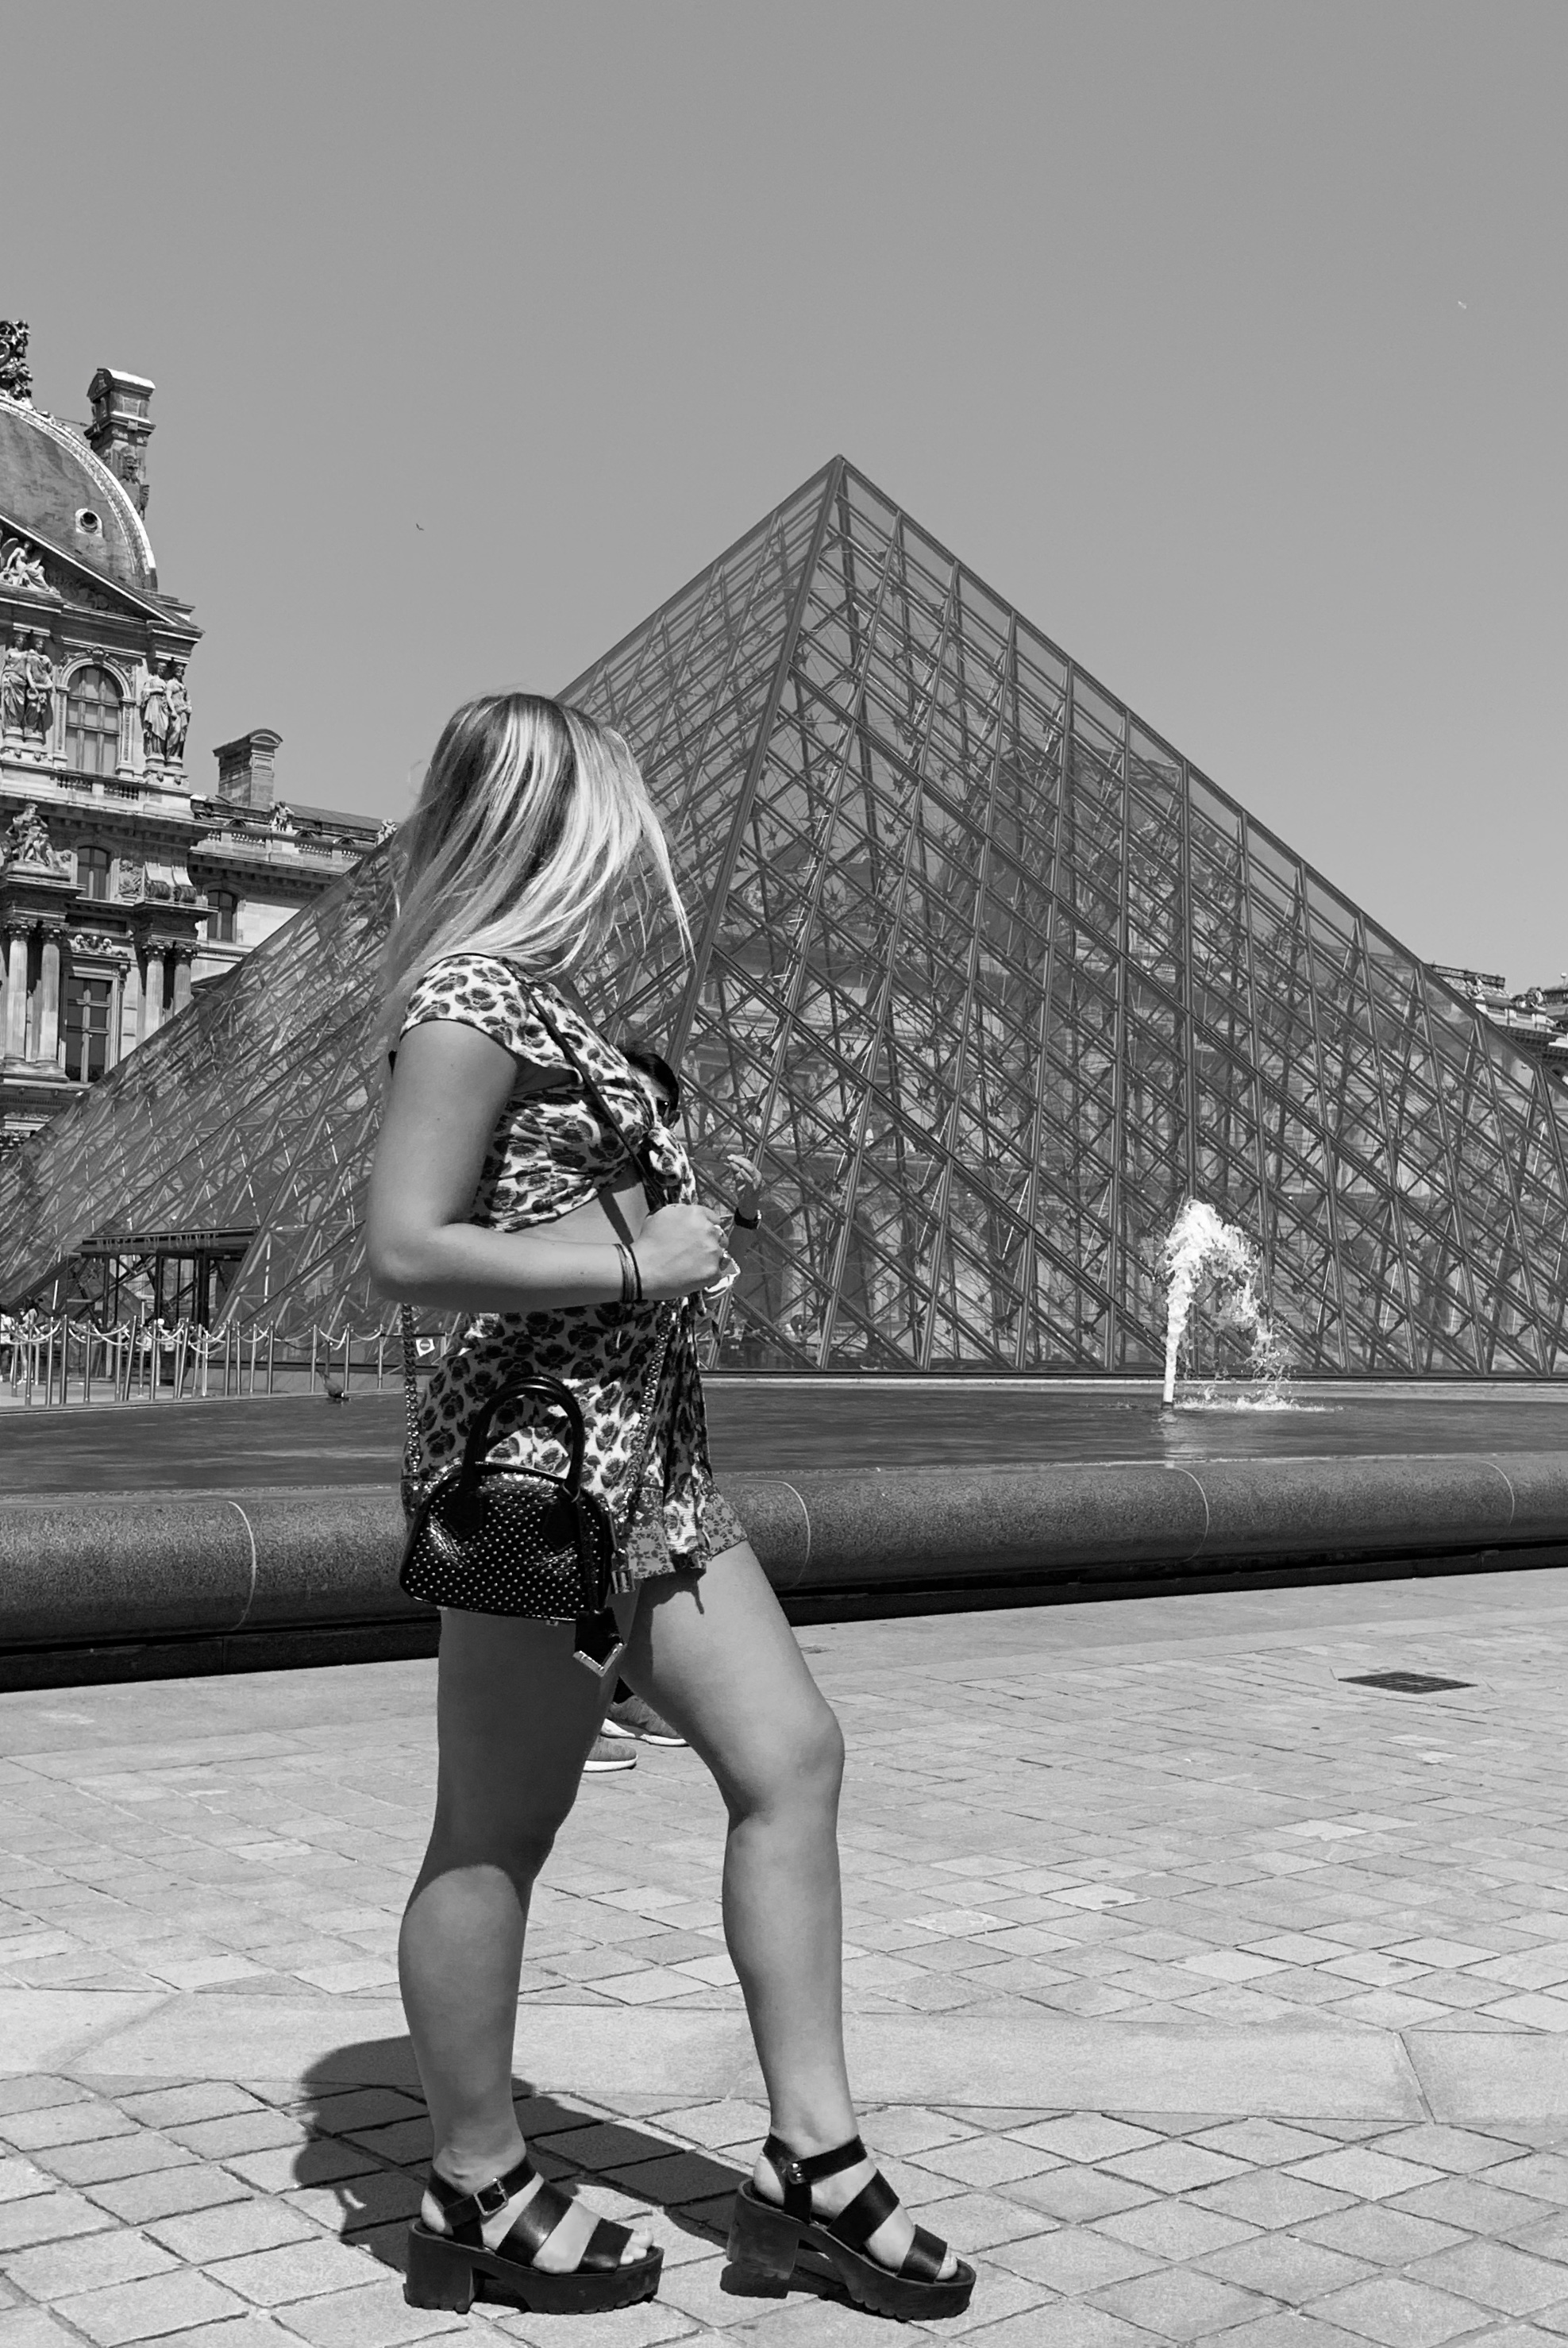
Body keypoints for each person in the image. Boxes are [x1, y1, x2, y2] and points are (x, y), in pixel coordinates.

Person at [365, 692, 972, 2325]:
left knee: (793, 1757)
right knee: (497, 1832)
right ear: (546, 829)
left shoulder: (547, 1007)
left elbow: (553, 1203)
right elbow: (406, 1245)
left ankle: (810, 2163)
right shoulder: (467, 1001)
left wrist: (676, 1224)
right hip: (535, 1476)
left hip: (654, 1468)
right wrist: (638, 1255)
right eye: (612, 833)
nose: (634, 866)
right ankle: (475, 2179)